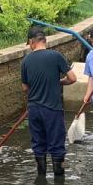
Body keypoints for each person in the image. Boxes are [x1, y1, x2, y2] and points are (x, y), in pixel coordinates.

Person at [22, 28, 77, 176]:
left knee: (38, 145)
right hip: (52, 109)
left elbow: (25, 88)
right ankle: (59, 182)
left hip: (34, 109)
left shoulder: (26, 61)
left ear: (32, 42)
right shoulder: (56, 56)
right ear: (44, 40)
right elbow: (72, 78)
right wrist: (58, 82)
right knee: (56, 145)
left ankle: (41, 178)